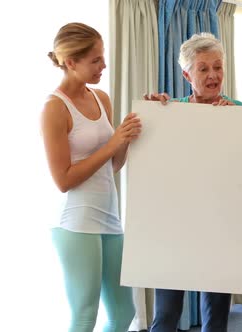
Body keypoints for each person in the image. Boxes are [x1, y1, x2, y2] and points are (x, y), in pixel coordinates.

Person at [41, 22, 140, 331]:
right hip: (76, 221)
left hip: (110, 218)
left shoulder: (101, 98)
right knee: (85, 315)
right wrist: (112, 143)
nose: (104, 65)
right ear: (70, 62)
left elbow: (112, 166)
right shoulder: (54, 108)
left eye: (103, 57)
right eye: (95, 60)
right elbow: (63, 180)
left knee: (123, 313)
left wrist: (125, 137)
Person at [147, 32, 242, 332]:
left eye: (218, 67)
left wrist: (234, 124)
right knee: (166, 316)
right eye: (203, 69)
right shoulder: (169, 110)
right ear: (187, 74)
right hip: (176, 228)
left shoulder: (239, 112)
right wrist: (152, 112)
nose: (213, 75)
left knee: (216, 317)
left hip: (220, 226)